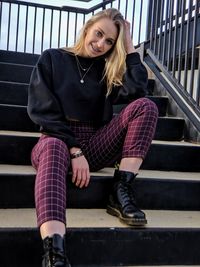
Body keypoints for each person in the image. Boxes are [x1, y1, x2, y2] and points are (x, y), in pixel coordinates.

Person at [27, 8, 158, 267]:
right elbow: (42, 110)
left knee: (146, 106)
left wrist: (128, 42)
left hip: (95, 141)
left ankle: (121, 190)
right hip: (55, 138)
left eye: (109, 41)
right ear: (87, 28)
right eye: (98, 34)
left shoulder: (108, 70)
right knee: (54, 147)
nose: (101, 44)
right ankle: (54, 254)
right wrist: (74, 149)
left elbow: (138, 91)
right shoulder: (52, 58)